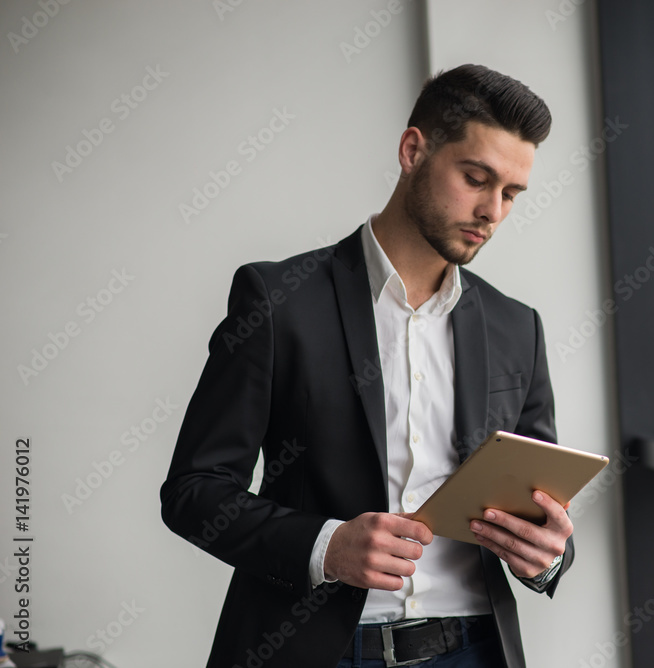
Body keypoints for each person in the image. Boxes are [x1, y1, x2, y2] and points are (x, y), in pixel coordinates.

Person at [160, 63, 574, 668]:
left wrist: (549, 554)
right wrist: (326, 546)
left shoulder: (518, 328)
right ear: (414, 150)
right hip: (315, 649)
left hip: (475, 649)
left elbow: (540, 502)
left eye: (510, 194)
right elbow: (193, 491)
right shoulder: (278, 303)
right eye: (476, 178)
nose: (492, 211)